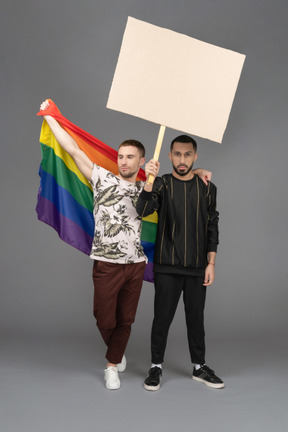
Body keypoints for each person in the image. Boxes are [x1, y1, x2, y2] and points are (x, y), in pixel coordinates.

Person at [39, 101, 211, 390]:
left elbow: (181, 177)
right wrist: (51, 118)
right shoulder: (101, 178)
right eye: (120, 157)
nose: (123, 161)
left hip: (134, 265)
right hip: (106, 262)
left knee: (126, 320)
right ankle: (115, 351)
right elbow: (72, 149)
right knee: (103, 317)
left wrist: (200, 171)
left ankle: (111, 366)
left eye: (130, 157)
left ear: (141, 161)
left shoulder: (152, 187)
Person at [136, 134, 224, 390]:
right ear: (169, 156)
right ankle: (155, 367)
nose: (182, 159)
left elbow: (212, 225)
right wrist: (148, 180)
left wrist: (211, 263)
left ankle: (200, 367)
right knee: (161, 318)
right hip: (167, 265)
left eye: (187, 155)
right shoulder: (161, 184)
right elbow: (143, 211)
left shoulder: (207, 187)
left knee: (196, 319)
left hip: (198, 266)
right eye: (177, 154)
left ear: (195, 156)